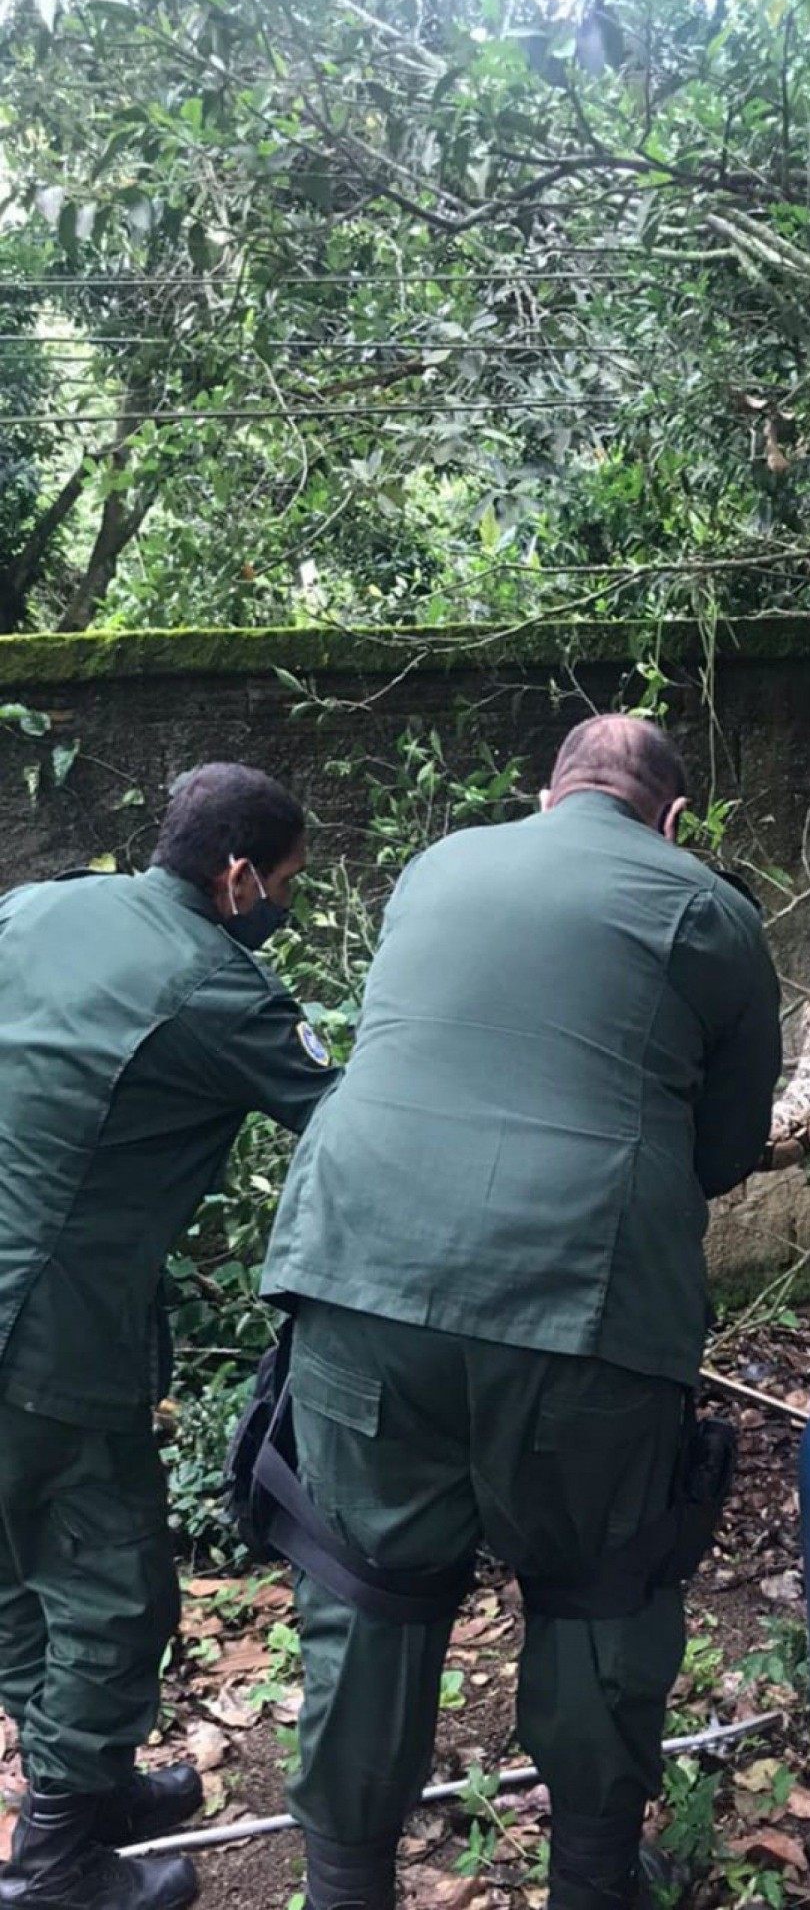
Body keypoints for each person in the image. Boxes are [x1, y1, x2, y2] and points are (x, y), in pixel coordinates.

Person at [260, 714, 782, 1910]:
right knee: (600, 1584)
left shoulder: (439, 865)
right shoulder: (706, 910)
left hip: (357, 1275)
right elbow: (726, 1150)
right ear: (672, 820)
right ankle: (594, 1881)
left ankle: (344, 1886)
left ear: (545, 799)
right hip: (579, 1303)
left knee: (368, 1585)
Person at [0, 764, 340, 1910]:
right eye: (286, 882)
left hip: (27, 1308)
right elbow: (349, 1128)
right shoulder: (218, 986)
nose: (282, 902)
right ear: (239, 876)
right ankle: (56, 1869)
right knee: (112, 1587)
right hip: (42, 1332)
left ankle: (80, 1786)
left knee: (13, 1565)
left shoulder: (42, 903)